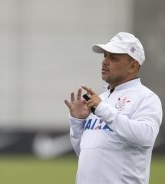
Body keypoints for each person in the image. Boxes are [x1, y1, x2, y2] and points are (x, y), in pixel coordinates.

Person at [64, 32, 163, 184]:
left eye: (113, 58)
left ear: (133, 66)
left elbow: (146, 136)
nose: (105, 62)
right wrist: (78, 122)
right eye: (105, 56)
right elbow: (85, 153)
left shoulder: (146, 98)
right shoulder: (101, 99)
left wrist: (102, 109)